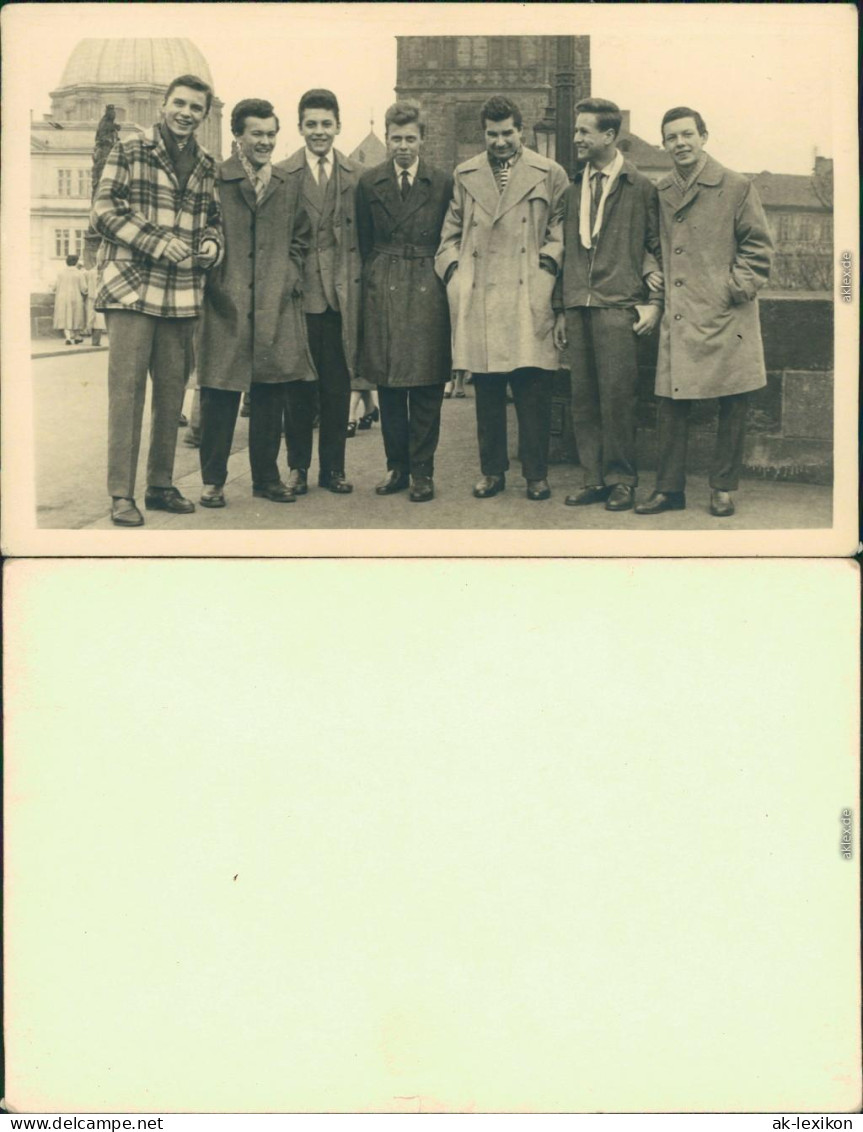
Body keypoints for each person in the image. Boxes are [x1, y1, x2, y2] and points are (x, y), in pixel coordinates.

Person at [91, 73, 222, 527]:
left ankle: (161, 484)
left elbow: (212, 222)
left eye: (196, 108)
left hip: (182, 291)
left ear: (205, 116)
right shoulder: (130, 148)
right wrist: (156, 241)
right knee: (126, 394)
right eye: (179, 104)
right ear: (164, 106)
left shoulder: (206, 164)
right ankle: (121, 494)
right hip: (130, 287)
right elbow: (104, 210)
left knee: (171, 395)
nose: (186, 113)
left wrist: (210, 246)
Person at [635, 107, 773, 518]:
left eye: (686, 135)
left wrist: (732, 289)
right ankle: (668, 489)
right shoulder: (660, 192)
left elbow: (758, 248)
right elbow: (648, 243)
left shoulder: (736, 186)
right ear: (664, 145)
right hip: (679, 315)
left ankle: (723, 488)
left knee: (733, 401)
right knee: (671, 404)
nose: (679, 143)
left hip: (727, 315)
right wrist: (650, 269)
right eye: (670, 138)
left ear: (703, 136)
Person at [435, 95, 568, 501]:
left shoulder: (550, 173)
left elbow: (560, 230)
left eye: (507, 132)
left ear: (521, 131)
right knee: (488, 393)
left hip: (530, 292)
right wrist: (456, 273)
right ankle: (492, 472)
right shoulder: (465, 173)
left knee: (533, 391)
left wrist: (547, 266)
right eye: (492, 134)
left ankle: (536, 474)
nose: (500, 141)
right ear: (484, 134)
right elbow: (450, 234)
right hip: (483, 294)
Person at [195, 98, 314, 508]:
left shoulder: (287, 183)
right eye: (256, 134)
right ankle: (213, 481)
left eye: (270, 134)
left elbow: (301, 239)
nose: (265, 142)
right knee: (219, 395)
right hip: (225, 302)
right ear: (237, 136)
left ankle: (266, 478)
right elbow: (202, 228)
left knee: (270, 394)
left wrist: (290, 274)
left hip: (274, 304)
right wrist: (215, 278)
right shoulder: (216, 179)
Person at [552, 98, 663, 513]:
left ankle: (622, 480)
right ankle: (593, 479)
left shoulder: (640, 187)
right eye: (577, 130)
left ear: (609, 136)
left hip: (619, 306)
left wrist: (655, 301)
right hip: (578, 306)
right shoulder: (574, 186)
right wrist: (562, 308)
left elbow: (657, 248)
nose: (577, 138)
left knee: (618, 398)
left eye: (584, 131)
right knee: (584, 398)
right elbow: (565, 251)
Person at [356, 100, 453, 502]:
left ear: (422, 140)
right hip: (385, 283)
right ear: (387, 138)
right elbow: (364, 240)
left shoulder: (443, 182)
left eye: (410, 138)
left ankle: (423, 472)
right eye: (396, 138)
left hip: (429, 285)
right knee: (390, 384)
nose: (402, 146)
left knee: (428, 383)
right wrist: (378, 275)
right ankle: (396, 467)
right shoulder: (370, 182)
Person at [276, 89, 362, 495]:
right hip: (299, 297)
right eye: (311, 124)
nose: (319, 132)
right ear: (300, 128)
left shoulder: (355, 173)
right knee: (298, 388)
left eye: (326, 124)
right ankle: (297, 469)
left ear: (338, 127)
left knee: (337, 387)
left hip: (341, 298)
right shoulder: (284, 173)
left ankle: (334, 469)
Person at [52, 254, 87, 344]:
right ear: (76, 262)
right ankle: (76, 336)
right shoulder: (79, 273)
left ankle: (67, 338)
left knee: (65, 316)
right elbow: (84, 288)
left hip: (62, 297)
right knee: (76, 316)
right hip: (75, 297)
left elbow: (54, 287)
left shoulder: (60, 273)